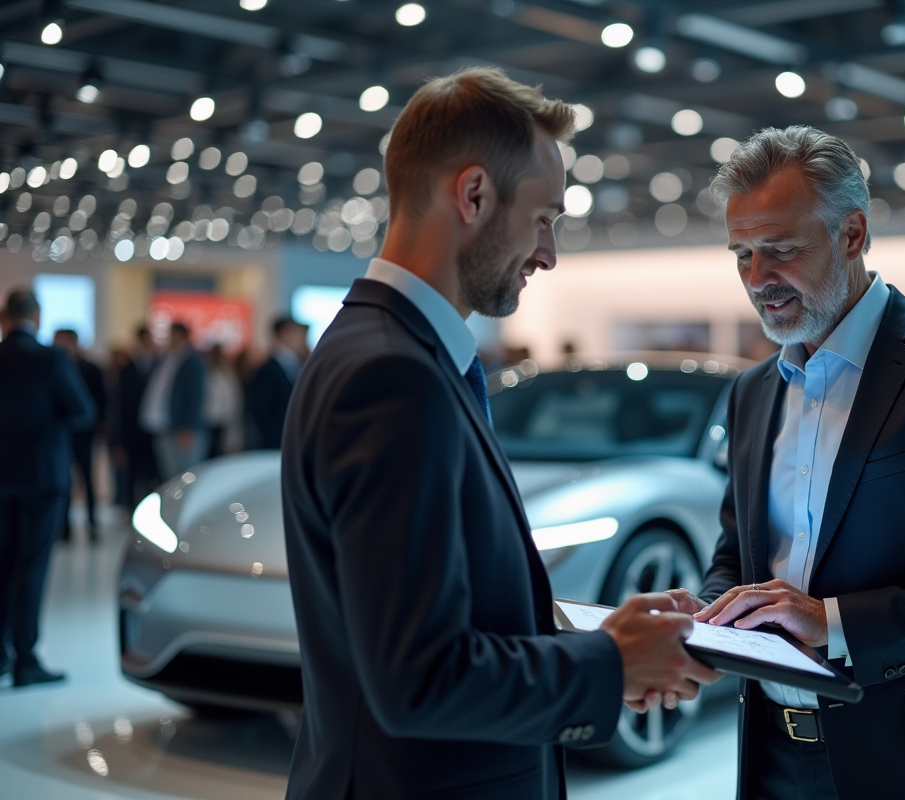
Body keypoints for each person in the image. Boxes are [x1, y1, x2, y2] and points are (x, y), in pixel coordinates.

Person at [280, 67, 718, 800]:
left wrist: (602, 645)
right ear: (474, 194)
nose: (549, 254)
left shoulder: (384, 351)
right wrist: (610, 666)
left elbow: (446, 619)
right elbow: (419, 680)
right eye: (545, 218)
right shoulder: (393, 379)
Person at [661, 126, 905, 800]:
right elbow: (739, 556)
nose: (758, 281)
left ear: (852, 235)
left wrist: (835, 623)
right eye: (742, 255)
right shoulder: (752, 391)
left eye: (782, 251)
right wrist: (706, 619)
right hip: (771, 759)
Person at [0, 290, 95, 686]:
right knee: (32, 565)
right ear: (36, 316)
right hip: (42, 474)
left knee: (1, 564)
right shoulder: (51, 358)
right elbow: (82, 410)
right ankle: (26, 658)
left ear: (5, 317)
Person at [52, 329, 107, 542]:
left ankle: (93, 523)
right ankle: (64, 527)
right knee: (64, 479)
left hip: (85, 432)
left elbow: (101, 400)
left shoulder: (91, 369)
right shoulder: (54, 366)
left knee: (87, 477)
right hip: (62, 433)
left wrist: (100, 426)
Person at [139, 322, 207, 479]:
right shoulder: (167, 359)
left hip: (182, 430)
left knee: (185, 477)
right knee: (170, 477)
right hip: (165, 426)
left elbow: (195, 395)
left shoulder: (193, 361)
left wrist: (187, 428)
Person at [111, 326, 159, 510]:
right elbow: (119, 407)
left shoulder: (159, 365)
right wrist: (118, 440)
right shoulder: (127, 369)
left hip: (152, 431)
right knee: (131, 475)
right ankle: (130, 509)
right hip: (132, 432)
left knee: (151, 476)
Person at [246, 316, 307, 450]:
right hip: (276, 444)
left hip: (292, 441)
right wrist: (274, 439)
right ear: (283, 334)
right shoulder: (267, 370)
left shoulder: (297, 364)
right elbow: (261, 409)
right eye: (296, 333)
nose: (302, 338)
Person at [204, 344, 243, 457]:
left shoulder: (226, 376)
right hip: (209, 422)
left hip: (221, 422)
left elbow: (233, 405)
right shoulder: (208, 374)